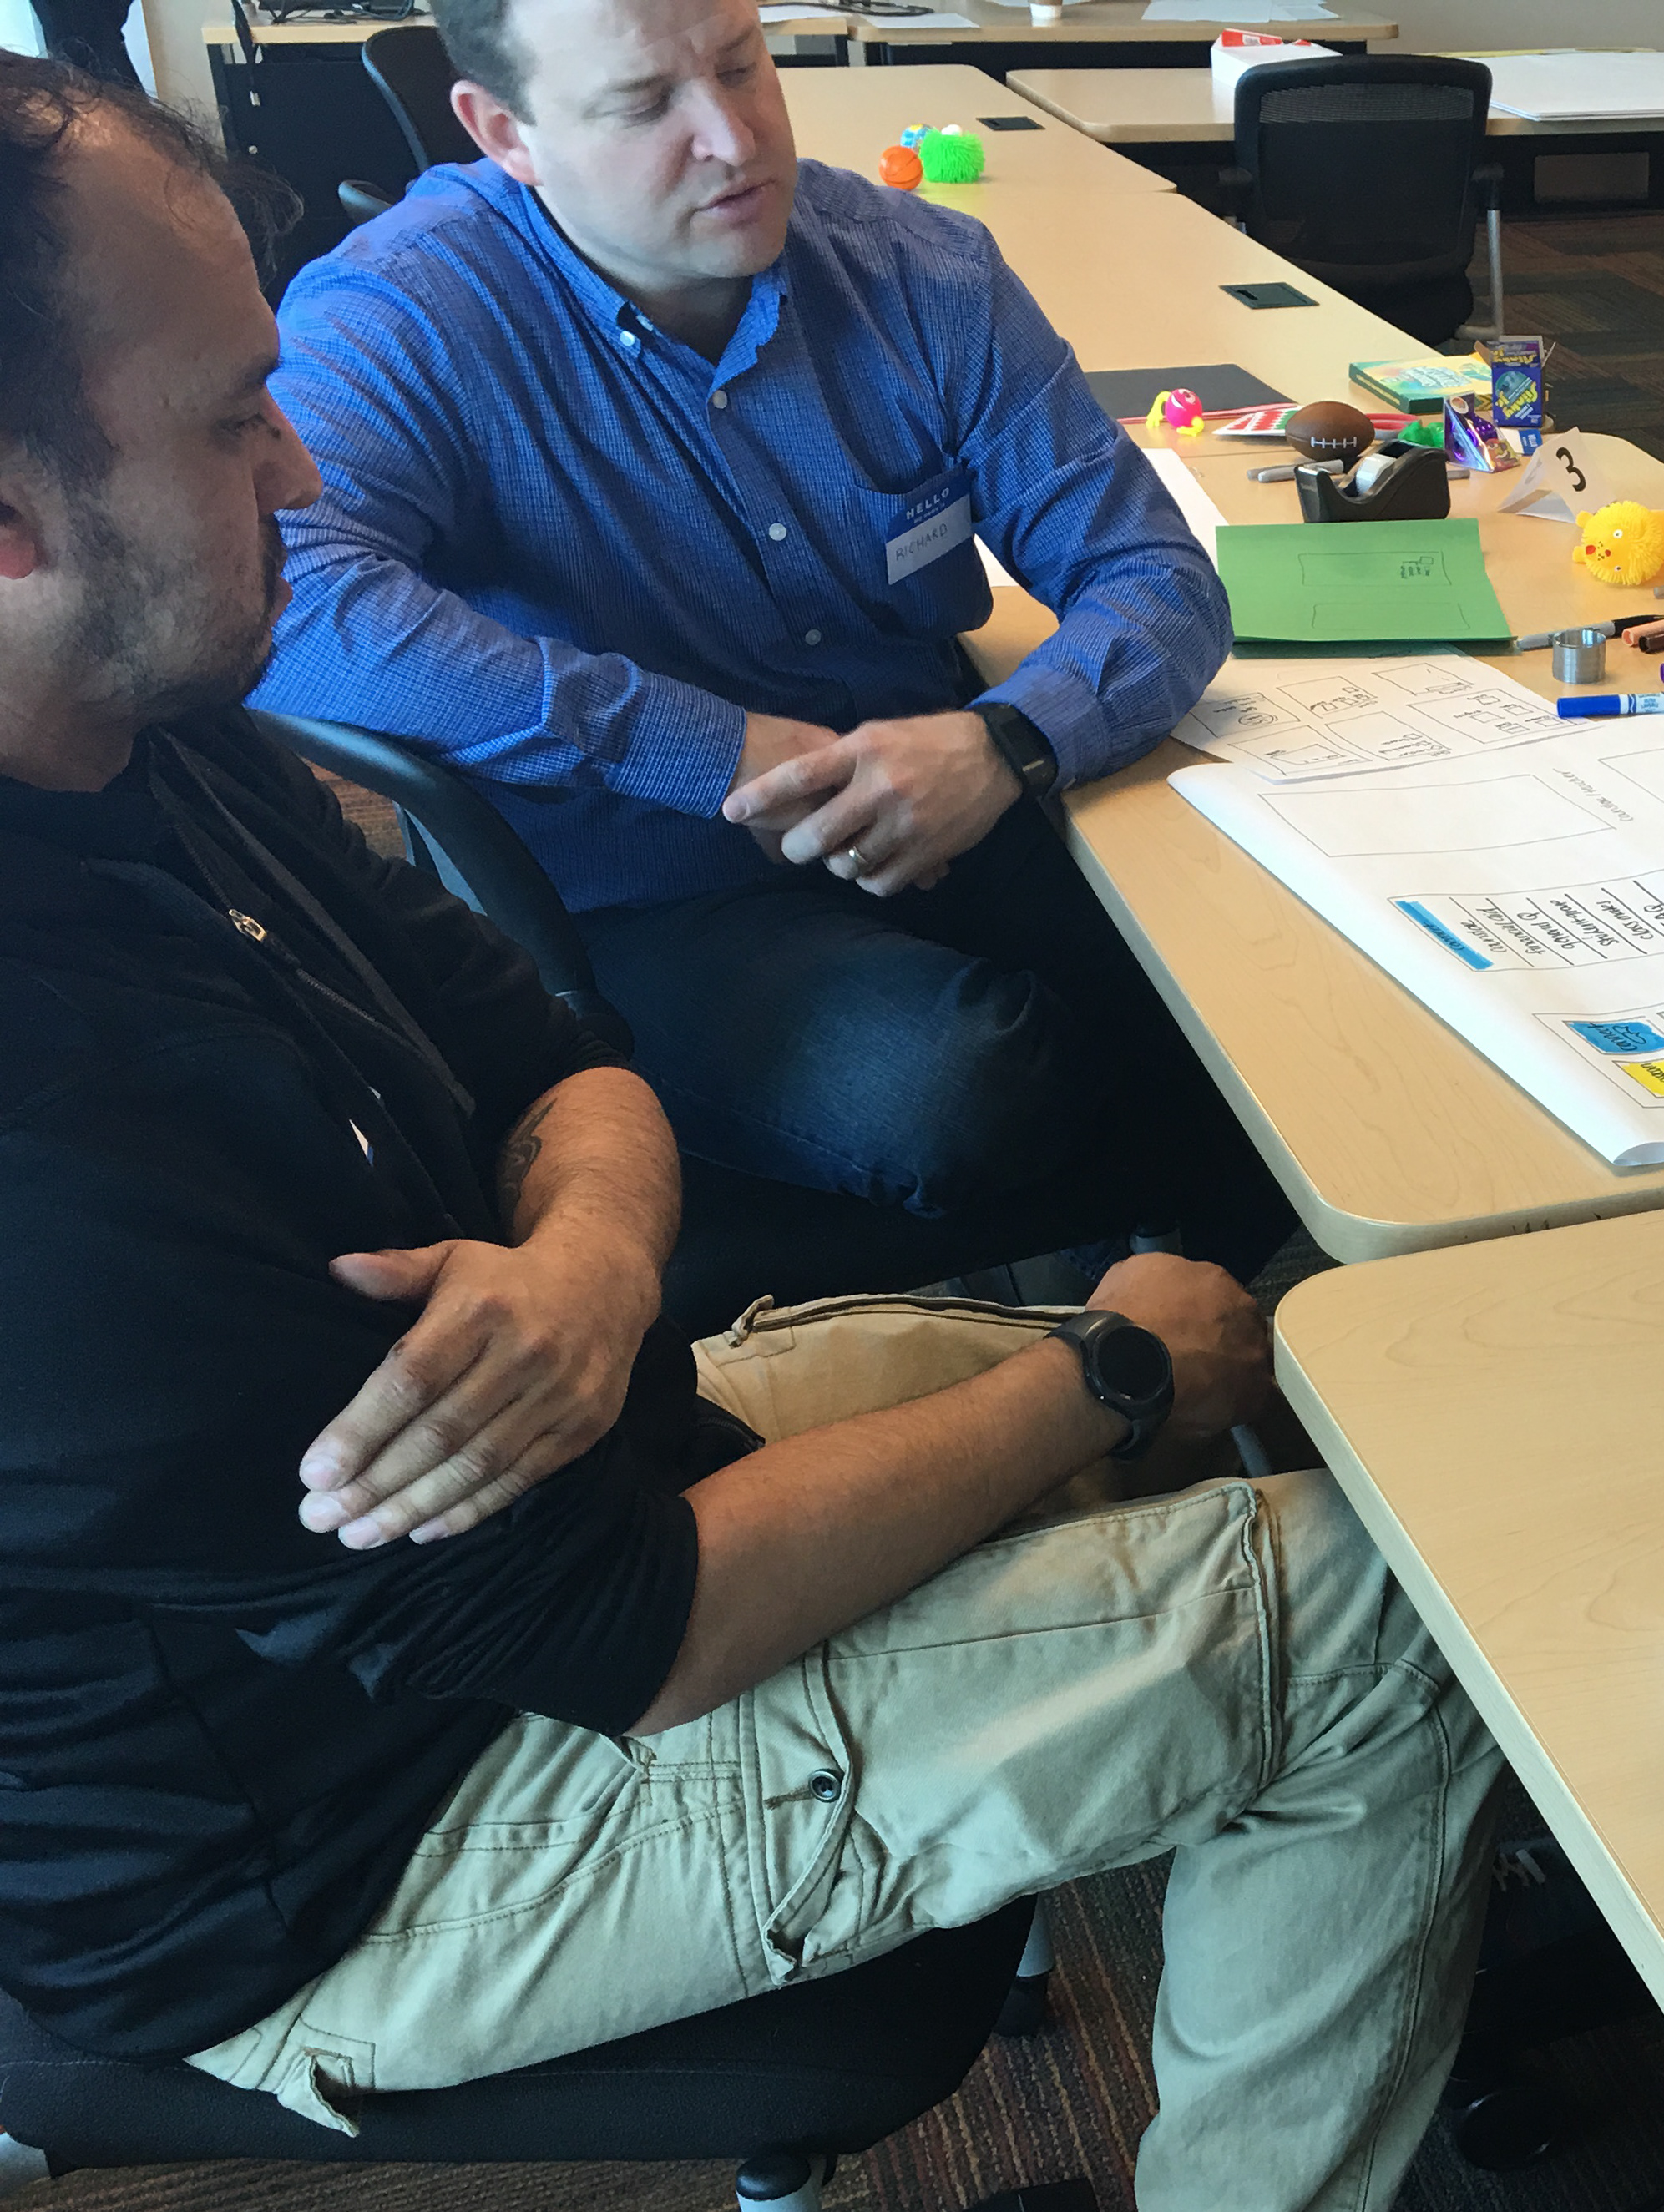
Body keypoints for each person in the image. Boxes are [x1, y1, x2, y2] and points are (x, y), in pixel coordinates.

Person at [0, 55, 1495, 2212]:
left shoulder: (134, 732)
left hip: (530, 1565)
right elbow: (633, 1633)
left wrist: (590, 1273)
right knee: (1373, 1604)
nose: (297, 477)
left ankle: (1265, 1911)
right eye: (226, 424)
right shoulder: (53, 1109)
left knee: (1169, 1399)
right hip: (367, 1866)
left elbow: (546, 1052)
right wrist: (1095, 1374)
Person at [250, 0, 1285, 1275]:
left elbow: (1154, 573)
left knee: (1269, 966)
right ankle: (1167, 1277)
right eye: (645, 106)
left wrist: (1006, 738)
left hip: (943, 801)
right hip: (642, 885)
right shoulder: (405, 312)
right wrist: (710, 750)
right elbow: (285, 591)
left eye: (742, 67)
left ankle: (1209, 1276)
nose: (734, 139)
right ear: (503, 130)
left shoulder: (920, 272)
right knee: (963, 1082)